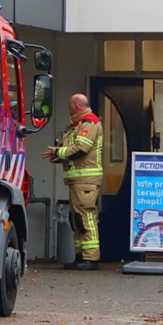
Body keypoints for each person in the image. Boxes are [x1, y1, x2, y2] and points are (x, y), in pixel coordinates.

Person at [42, 94, 103, 271]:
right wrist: (61, 158)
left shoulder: (88, 124)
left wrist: (58, 153)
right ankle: (80, 256)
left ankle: (91, 258)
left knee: (85, 218)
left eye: (70, 104)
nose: (68, 107)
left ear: (77, 105)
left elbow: (80, 150)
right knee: (76, 219)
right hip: (77, 180)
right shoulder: (78, 124)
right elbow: (75, 153)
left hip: (85, 180)